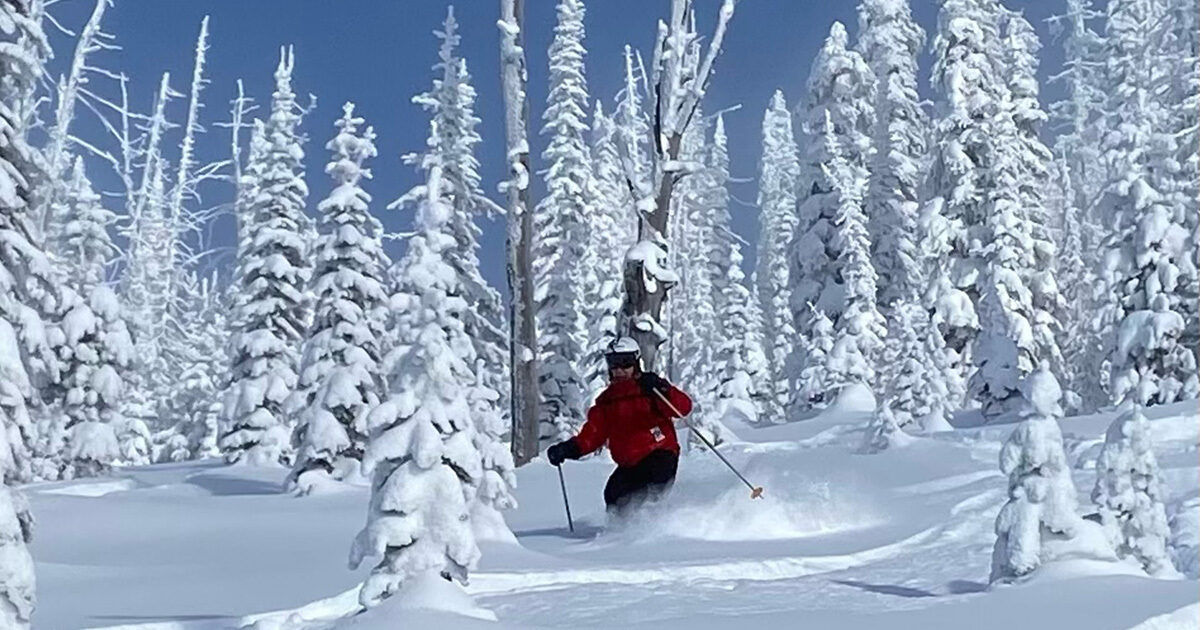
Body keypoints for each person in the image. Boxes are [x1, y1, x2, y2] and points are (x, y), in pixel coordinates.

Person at [546, 336, 693, 516]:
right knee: (614, 496)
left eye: (625, 363)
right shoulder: (607, 402)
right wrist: (568, 448)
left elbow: (683, 408)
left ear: (636, 363)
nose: (620, 370)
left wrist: (663, 389)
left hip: (660, 455)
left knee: (648, 495)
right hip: (630, 464)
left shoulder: (650, 390)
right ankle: (619, 536)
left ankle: (659, 531)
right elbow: (592, 435)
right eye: (614, 364)